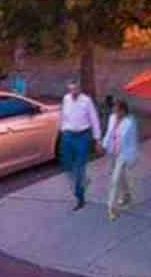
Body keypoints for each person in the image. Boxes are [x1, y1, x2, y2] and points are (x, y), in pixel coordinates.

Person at [58, 79, 102, 210]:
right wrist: (62, 131)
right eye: (71, 90)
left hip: (82, 136)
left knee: (79, 168)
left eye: (75, 89)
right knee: (67, 165)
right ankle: (83, 180)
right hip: (68, 135)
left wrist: (97, 139)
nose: (73, 92)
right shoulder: (66, 99)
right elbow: (63, 116)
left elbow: (94, 119)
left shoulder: (86, 101)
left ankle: (80, 197)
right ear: (68, 88)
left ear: (79, 89)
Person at [102, 99, 140, 219]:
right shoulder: (112, 118)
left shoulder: (130, 122)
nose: (115, 113)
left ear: (123, 111)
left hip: (124, 154)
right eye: (114, 110)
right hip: (113, 152)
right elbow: (109, 133)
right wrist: (103, 145)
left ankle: (111, 209)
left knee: (115, 180)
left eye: (117, 111)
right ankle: (127, 195)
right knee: (121, 177)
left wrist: (132, 157)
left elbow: (124, 138)